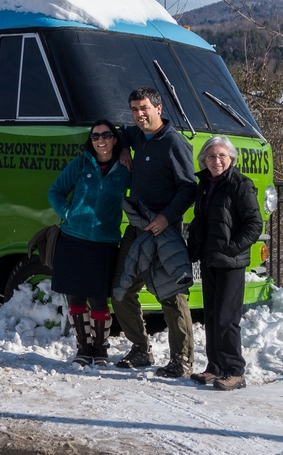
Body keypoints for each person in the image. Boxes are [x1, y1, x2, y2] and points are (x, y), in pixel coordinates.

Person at [112, 87, 197, 377]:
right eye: (135, 109)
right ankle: (140, 349)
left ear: (158, 109)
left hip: (164, 231)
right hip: (137, 228)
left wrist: (166, 218)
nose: (139, 114)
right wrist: (123, 147)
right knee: (120, 290)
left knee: (171, 295)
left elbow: (188, 189)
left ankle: (182, 359)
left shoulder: (174, 143)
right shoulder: (138, 135)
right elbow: (120, 132)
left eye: (144, 108)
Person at [47, 120, 131, 366]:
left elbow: (140, 195)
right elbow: (55, 192)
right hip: (73, 240)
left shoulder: (125, 168)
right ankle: (83, 348)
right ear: (91, 140)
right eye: (95, 136)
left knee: (98, 300)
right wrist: (69, 213)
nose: (100, 140)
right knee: (75, 299)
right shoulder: (81, 164)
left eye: (106, 135)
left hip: (104, 243)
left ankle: (100, 349)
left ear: (115, 139)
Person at [187, 135, 263, 391]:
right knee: (210, 315)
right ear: (204, 159)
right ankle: (215, 367)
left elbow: (254, 224)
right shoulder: (205, 184)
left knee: (226, 318)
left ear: (231, 158)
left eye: (222, 156)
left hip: (231, 261)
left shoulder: (241, 184)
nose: (216, 160)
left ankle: (235, 371)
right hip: (210, 258)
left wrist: (232, 248)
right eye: (211, 156)